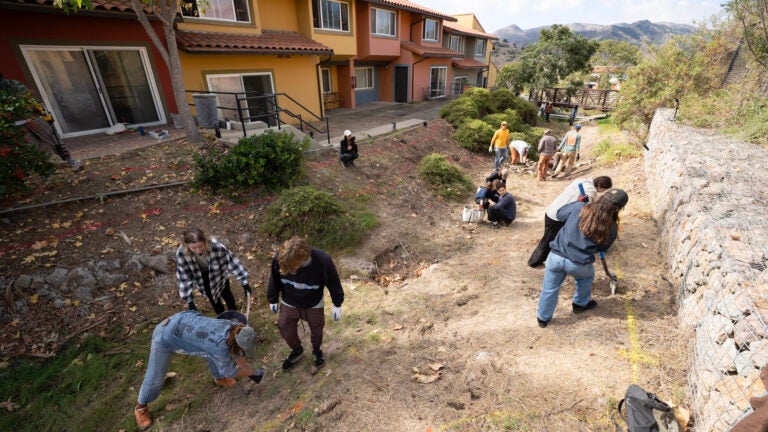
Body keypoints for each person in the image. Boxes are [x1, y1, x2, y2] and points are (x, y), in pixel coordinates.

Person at [133, 310, 265, 430]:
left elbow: (236, 351)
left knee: (209, 352)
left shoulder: (233, 327)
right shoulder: (219, 345)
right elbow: (230, 371)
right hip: (165, 336)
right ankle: (141, 408)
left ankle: (219, 379)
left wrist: (248, 370)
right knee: (155, 377)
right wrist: (253, 372)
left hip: (185, 319)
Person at [535, 188, 628, 328]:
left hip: (555, 258)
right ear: (619, 208)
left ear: (602, 197)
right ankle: (580, 304)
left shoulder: (580, 207)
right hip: (578, 264)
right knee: (587, 277)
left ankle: (543, 318)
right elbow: (602, 249)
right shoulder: (612, 227)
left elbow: (560, 214)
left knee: (549, 288)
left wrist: (577, 203)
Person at [267, 236, 344, 372]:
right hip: (289, 300)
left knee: (317, 328)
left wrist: (337, 303)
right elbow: (274, 278)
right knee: (284, 326)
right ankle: (297, 349)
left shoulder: (323, 261)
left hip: (313, 302)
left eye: (292, 269)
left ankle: (316, 350)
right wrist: (272, 299)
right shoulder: (280, 258)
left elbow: (333, 282)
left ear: (303, 259)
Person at [0, 73, 82, 171]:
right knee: (33, 149)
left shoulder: (11, 84)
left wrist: (29, 118)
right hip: (18, 125)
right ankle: (49, 169)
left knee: (54, 140)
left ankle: (70, 161)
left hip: (35, 118)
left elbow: (29, 100)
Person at [527, 176, 613, 268]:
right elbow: (587, 207)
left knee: (552, 237)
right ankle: (535, 261)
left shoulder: (581, 180)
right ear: (599, 185)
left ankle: (547, 259)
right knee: (549, 239)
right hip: (557, 216)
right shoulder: (591, 190)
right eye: (603, 190)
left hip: (553, 209)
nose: (601, 192)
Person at [176, 228, 251, 315]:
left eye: (201, 246)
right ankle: (221, 315)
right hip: (201, 277)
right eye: (194, 248)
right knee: (213, 299)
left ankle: (233, 312)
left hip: (219, 274)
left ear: (205, 241)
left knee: (227, 294)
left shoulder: (217, 247)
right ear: (187, 245)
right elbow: (184, 276)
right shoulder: (182, 253)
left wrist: (244, 283)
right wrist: (189, 301)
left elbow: (232, 262)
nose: (198, 250)